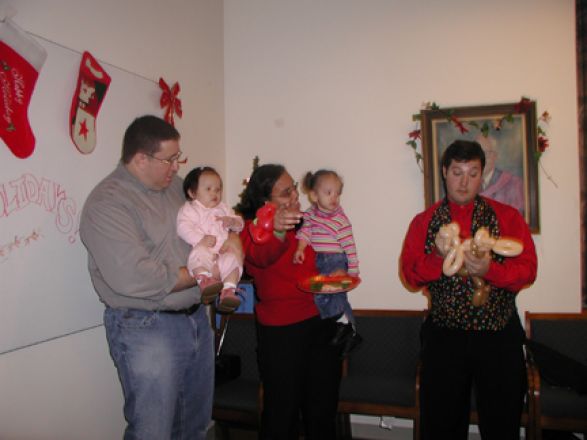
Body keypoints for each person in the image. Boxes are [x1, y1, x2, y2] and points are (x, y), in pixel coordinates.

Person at [80, 115, 235, 440]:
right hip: (146, 327)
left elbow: (220, 221)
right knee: (154, 431)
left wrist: (233, 243)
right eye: (169, 159)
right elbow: (138, 278)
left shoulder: (178, 188)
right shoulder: (107, 203)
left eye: (178, 157)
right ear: (140, 158)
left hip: (196, 322)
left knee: (195, 428)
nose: (176, 166)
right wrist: (206, 272)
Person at [400, 140, 537, 440]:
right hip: (445, 336)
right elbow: (410, 276)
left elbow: (528, 270)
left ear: (482, 175)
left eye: (472, 173)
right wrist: (437, 257)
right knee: (441, 423)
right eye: (457, 172)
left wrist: (491, 271)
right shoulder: (424, 222)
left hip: (498, 335)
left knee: (502, 421)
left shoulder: (508, 217)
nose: (464, 182)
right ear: (445, 172)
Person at [235, 164, 343, 439]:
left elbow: (318, 263)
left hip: (321, 322)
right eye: (285, 193)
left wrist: (335, 274)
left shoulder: (306, 222)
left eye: (293, 187)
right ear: (264, 201)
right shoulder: (250, 230)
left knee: (322, 410)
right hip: (282, 332)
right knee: (281, 414)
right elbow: (261, 257)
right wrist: (278, 229)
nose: (295, 195)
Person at [293, 169, 362, 357]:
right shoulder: (309, 215)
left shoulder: (340, 220)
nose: (335, 198)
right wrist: (300, 249)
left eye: (338, 193)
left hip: (336, 260)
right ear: (314, 195)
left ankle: (346, 326)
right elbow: (305, 233)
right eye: (329, 192)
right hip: (318, 261)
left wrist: (353, 271)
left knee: (336, 292)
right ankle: (342, 327)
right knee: (320, 296)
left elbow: (350, 246)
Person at [177, 166, 244, 313]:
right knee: (198, 255)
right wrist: (200, 239)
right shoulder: (190, 209)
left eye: (218, 189)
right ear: (192, 192)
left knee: (233, 260)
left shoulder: (224, 208)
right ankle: (205, 281)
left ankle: (229, 291)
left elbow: (239, 223)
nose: (215, 193)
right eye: (208, 189)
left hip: (222, 250)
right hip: (205, 248)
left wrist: (232, 222)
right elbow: (183, 227)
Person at [477, 134, 525, 216]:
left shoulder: (513, 184)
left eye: (487, 153)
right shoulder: (466, 184)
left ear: (495, 156)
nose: (482, 158)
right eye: (478, 153)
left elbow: (517, 218)